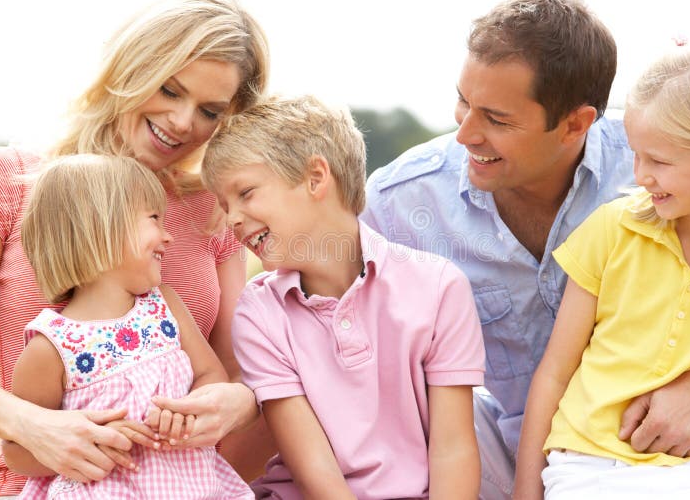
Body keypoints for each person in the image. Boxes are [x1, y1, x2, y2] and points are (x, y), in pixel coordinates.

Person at [362, 0, 690, 498]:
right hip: (500, 454)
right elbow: (308, 322)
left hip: (662, 455)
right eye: (464, 101)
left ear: (576, 123)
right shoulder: (399, 202)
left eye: (497, 119)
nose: (464, 134)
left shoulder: (662, 159)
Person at [0, 0, 272, 498]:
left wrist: (239, 401)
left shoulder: (211, 210)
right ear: (131, 67)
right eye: (170, 89)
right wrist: (35, 427)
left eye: (210, 111)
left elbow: (237, 368)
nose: (182, 121)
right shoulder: (3, 181)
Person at [200, 95, 485, 499]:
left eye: (245, 193)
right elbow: (314, 467)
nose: (232, 218)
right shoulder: (259, 312)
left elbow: (453, 448)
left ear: (316, 177)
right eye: (224, 205)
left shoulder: (439, 288)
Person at [513, 44, 690, 499]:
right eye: (636, 155)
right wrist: (526, 492)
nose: (640, 174)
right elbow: (554, 373)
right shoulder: (612, 228)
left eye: (660, 161)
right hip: (582, 463)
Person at [5, 154, 253, 499]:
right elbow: (16, 451)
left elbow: (210, 374)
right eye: (154, 219)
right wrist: (91, 442)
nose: (167, 237)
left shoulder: (164, 306)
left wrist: (192, 409)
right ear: (102, 227)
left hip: (194, 488)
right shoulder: (51, 347)